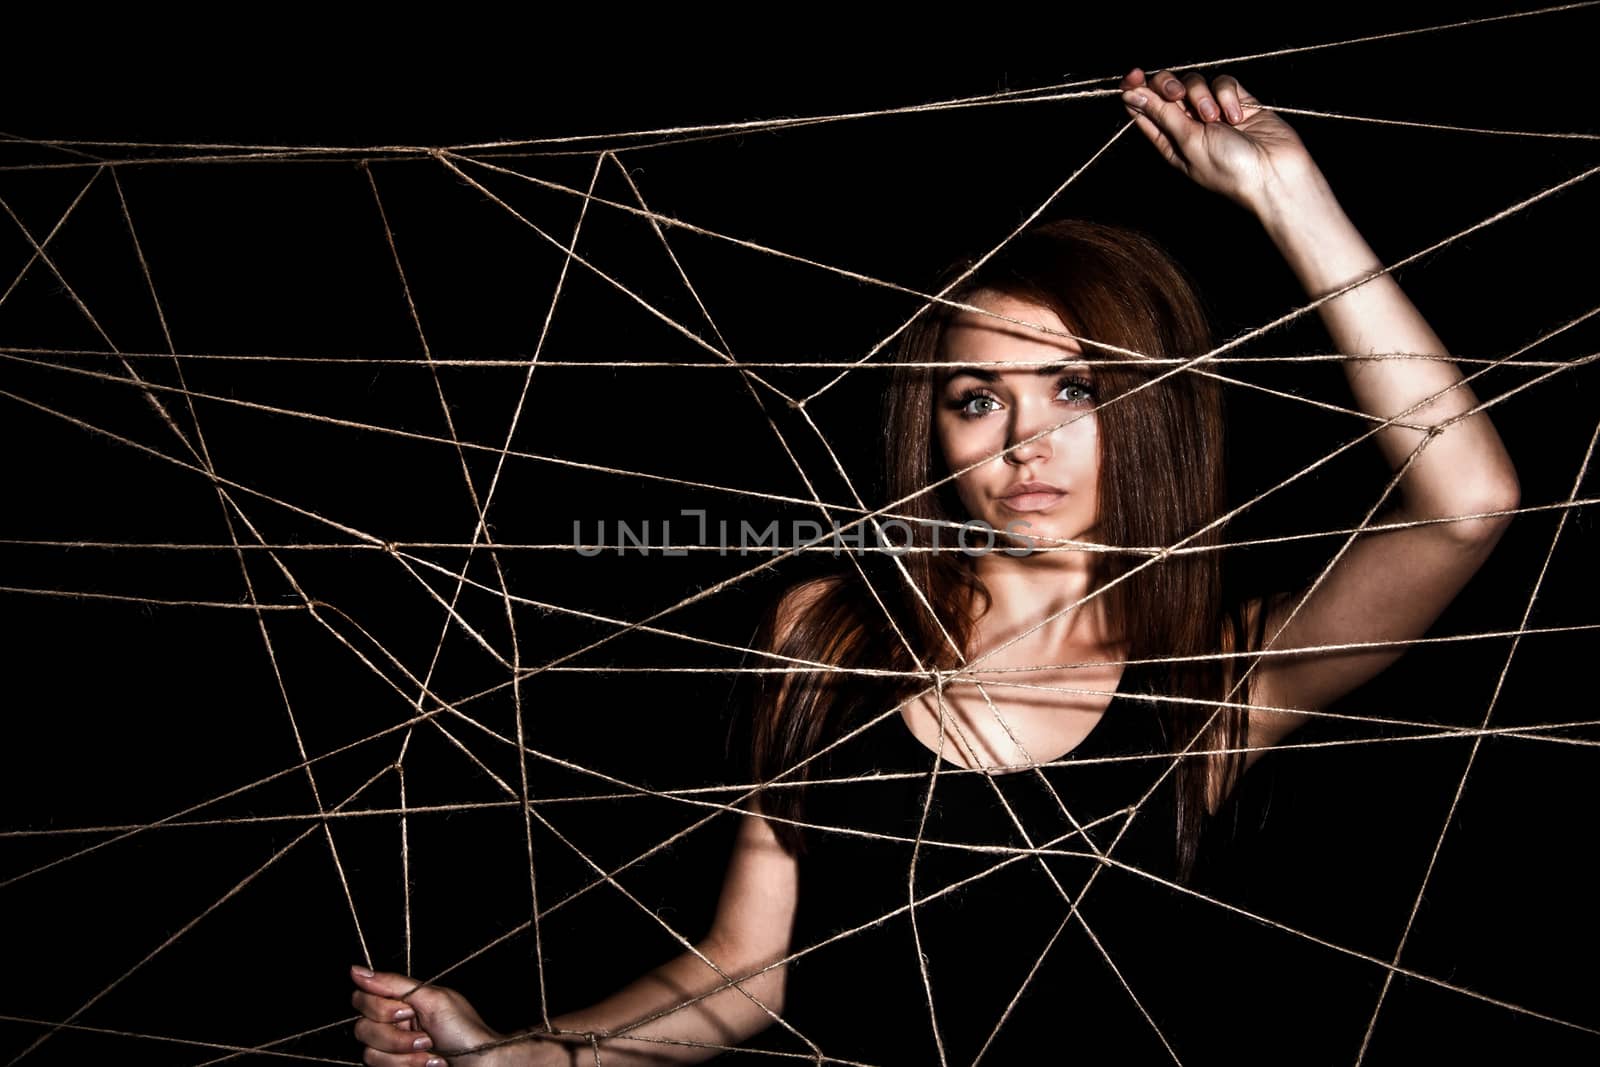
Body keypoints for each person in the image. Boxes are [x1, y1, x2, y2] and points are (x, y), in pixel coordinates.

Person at [348, 66, 1520, 1066]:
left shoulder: (1216, 673)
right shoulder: (826, 625)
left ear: (1148, 412)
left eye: (1076, 389)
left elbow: (1466, 504)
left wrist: (1284, 192)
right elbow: (749, 968)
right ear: (934, 433)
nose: (1024, 443)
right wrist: (527, 1051)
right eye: (976, 400)